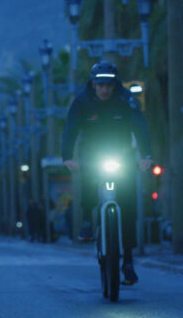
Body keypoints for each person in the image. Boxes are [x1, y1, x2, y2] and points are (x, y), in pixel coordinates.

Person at [62, 61, 152, 285]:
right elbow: (71, 127)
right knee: (89, 181)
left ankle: (128, 261)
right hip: (92, 154)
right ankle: (86, 219)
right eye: (100, 85)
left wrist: (146, 155)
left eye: (108, 86)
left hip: (122, 155)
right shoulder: (82, 101)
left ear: (115, 85)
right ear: (93, 84)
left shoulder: (126, 99)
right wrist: (68, 157)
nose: (104, 90)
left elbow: (140, 125)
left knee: (129, 204)